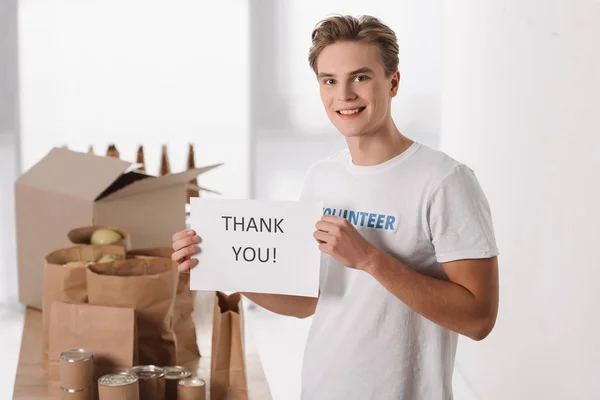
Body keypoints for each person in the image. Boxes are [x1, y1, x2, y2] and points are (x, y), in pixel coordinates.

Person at [172, 14, 499, 400]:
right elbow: (307, 301)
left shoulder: (445, 181)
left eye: (360, 77)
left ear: (393, 82)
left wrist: (369, 258)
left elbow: (478, 319)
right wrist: (223, 264)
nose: (343, 94)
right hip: (321, 387)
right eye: (329, 80)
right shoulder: (321, 177)